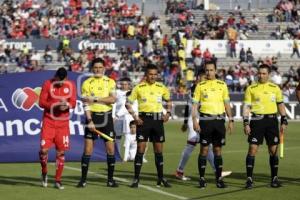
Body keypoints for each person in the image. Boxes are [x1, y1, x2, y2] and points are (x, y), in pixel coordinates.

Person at [175, 74, 232, 181]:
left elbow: (188, 106)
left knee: (207, 146)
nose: (206, 78)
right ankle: (179, 171)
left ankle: (217, 171)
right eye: (204, 77)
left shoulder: (203, 87)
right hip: (196, 121)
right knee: (192, 145)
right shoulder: (197, 88)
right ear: (199, 78)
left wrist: (185, 122)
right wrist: (187, 122)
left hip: (202, 121)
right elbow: (191, 106)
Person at [126, 63, 172, 188]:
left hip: (157, 120)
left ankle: (161, 178)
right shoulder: (138, 87)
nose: (152, 77)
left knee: (158, 150)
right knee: (140, 149)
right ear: (146, 75)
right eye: (150, 74)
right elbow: (128, 103)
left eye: (155, 74)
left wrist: (168, 113)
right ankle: (136, 179)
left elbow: (169, 101)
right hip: (143, 120)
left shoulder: (161, 87)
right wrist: (135, 117)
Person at [243, 64, 288, 189]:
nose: (261, 75)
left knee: (273, 151)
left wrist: (284, 120)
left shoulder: (275, 88)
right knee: (252, 149)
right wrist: (246, 122)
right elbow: (246, 107)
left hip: (272, 121)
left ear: (268, 74)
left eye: (264, 73)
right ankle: (249, 179)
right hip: (256, 121)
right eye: (260, 73)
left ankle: (274, 178)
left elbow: (280, 105)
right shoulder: (251, 88)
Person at [192, 61, 234, 188]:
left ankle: (219, 179)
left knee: (218, 150)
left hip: (219, 121)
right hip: (205, 121)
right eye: (207, 70)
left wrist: (231, 120)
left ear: (215, 71)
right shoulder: (200, 86)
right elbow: (194, 105)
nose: (209, 72)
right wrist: (195, 120)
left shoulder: (222, 85)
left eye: (211, 70)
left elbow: (227, 104)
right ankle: (202, 179)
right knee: (204, 150)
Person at [77, 57, 118, 188]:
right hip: (93, 118)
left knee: (111, 149)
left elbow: (112, 99)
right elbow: (85, 103)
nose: (98, 69)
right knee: (88, 150)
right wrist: (89, 120)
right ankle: (83, 180)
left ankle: (110, 180)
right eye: (95, 67)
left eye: (100, 67)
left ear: (104, 69)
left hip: (107, 118)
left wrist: (94, 99)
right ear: (92, 69)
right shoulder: (87, 83)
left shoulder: (110, 81)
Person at [39, 67, 77, 189]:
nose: (60, 83)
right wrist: (54, 105)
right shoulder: (47, 84)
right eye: (58, 80)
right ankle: (44, 172)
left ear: (66, 78)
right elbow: (41, 102)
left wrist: (66, 106)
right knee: (44, 150)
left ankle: (57, 180)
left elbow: (74, 102)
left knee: (61, 152)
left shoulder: (71, 85)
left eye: (62, 81)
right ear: (55, 76)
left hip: (63, 124)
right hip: (49, 122)